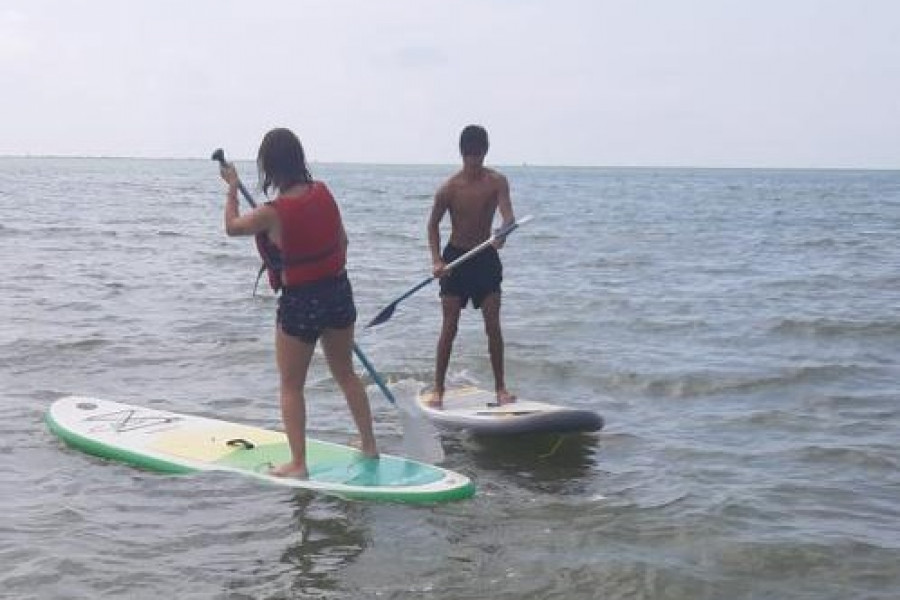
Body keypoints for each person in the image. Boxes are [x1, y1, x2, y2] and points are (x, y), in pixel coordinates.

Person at [219, 127, 378, 479]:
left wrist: (231, 187)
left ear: (270, 168)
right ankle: (369, 446)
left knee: (291, 385)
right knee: (346, 373)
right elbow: (344, 242)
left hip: (301, 302)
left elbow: (231, 227)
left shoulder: (272, 212)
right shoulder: (324, 193)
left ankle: (298, 463)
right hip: (338, 291)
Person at [426, 124, 517, 409]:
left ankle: (501, 389)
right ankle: (438, 388)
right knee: (449, 326)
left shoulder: (497, 182)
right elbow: (432, 226)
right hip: (456, 260)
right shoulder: (449, 189)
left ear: (485, 153)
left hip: (485, 258)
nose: (473, 162)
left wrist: (503, 232)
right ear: (462, 154)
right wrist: (437, 260)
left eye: (477, 155)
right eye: (468, 156)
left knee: (493, 325)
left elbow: (508, 216)